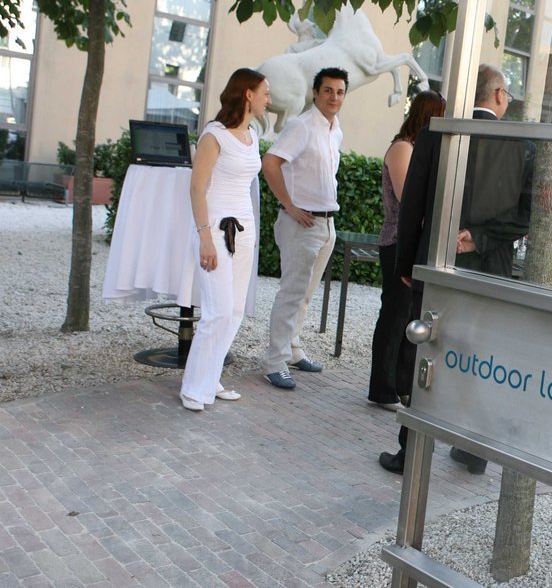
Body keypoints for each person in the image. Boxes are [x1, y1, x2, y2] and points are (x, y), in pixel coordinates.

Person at [379, 63, 528, 476]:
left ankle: (411, 452)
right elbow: (526, 213)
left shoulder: (435, 134)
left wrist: (408, 262)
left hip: (434, 259)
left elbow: (413, 204)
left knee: (426, 349)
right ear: (498, 95)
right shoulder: (519, 143)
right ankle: (472, 450)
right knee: (480, 355)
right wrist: (480, 237)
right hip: (490, 268)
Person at [179, 68, 268, 411]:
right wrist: (204, 237)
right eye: (265, 92)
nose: (268, 99)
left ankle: (210, 377)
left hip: (244, 230)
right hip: (215, 229)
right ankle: (193, 388)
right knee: (216, 312)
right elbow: (196, 188)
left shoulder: (252, 135)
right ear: (248, 94)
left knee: (234, 311)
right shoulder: (214, 135)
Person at [260, 67, 349, 390]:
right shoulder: (301, 126)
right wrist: (290, 205)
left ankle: (293, 349)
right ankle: (275, 361)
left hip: (326, 223)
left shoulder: (335, 130)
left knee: (306, 295)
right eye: (328, 90)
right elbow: (270, 163)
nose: (334, 97)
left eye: (340, 92)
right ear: (315, 93)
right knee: (292, 293)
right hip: (302, 222)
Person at [368, 91, 446, 411]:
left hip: (413, 242)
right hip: (397, 242)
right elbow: (407, 198)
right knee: (395, 314)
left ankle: (402, 385)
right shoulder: (403, 148)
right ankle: (382, 388)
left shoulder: (420, 149)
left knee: (410, 317)